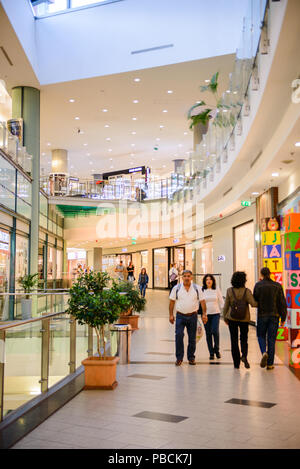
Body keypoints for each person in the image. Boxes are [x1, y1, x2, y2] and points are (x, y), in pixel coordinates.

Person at [169, 270, 207, 366]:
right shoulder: (176, 288)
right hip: (180, 316)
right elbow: (172, 302)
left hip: (193, 316)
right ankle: (179, 358)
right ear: (182, 277)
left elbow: (202, 302)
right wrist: (170, 315)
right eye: (185, 276)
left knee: (192, 338)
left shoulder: (197, 288)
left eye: (188, 276)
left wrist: (204, 314)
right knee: (179, 335)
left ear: (191, 277)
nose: (186, 278)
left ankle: (191, 357)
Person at [253, 267, 287, 370]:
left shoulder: (258, 285)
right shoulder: (277, 286)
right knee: (271, 339)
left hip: (262, 315)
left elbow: (255, 299)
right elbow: (282, 303)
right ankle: (270, 364)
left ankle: (264, 352)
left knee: (260, 336)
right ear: (270, 274)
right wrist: (283, 318)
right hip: (274, 316)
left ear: (261, 274)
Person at [223, 271, 257, 369]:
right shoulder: (247, 291)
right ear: (244, 280)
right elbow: (254, 304)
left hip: (232, 318)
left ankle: (236, 363)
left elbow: (226, 306)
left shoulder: (229, 290)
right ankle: (244, 356)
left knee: (233, 340)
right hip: (244, 319)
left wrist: (225, 317)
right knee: (244, 338)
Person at [202, 274, 224, 360]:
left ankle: (217, 350)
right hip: (206, 315)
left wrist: (225, 313)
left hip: (215, 313)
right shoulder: (202, 290)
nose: (208, 281)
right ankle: (211, 352)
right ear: (205, 281)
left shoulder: (216, 289)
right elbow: (199, 302)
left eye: (210, 279)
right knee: (208, 333)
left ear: (213, 281)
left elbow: (221, 301)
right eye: (207, 279)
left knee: (215, 331)